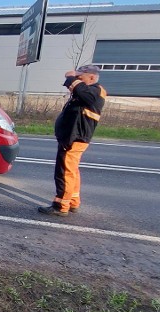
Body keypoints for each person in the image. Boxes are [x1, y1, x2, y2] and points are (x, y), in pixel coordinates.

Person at [38, 65, 107, 217]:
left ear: (92, 77)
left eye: (80, 79)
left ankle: (61, 205)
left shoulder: (95, 91)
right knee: (72, 170)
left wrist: (71, 77)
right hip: (73, 137)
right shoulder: (89, 92)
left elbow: (81, 91)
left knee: (64, 172)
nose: (75, 83)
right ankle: (73, 201)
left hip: (74, 138)